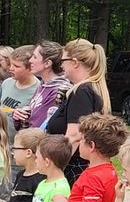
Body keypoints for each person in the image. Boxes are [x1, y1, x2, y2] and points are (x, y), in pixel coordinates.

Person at [45, 38, 111, 185]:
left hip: (73, 169)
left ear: (74, 62)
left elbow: (75, 135)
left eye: (63, 60)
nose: (61, 65)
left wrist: (56, 168)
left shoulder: (82, 92)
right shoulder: (94, 88)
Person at [12, 41, 69, 130]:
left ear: (47, 63)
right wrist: (19, 116)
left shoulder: (57, 91)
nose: (30, 60)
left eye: (35, 57)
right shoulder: (44, 85)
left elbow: (40, 126)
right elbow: (30, 118)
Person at [0, 45, 40, 140]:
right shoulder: (6, 83)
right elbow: (0, 108)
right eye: (11, 64)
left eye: (16, 66)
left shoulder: (38, 90)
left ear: (30, 68)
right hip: (1, 142)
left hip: (20, 146)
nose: (11, 69)